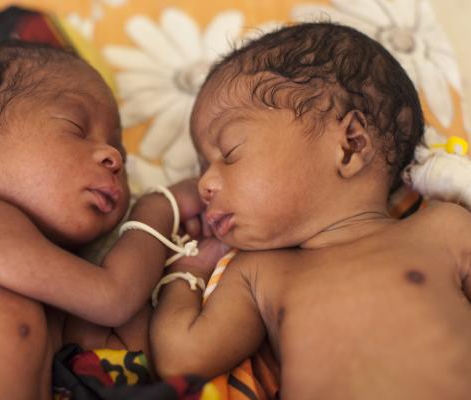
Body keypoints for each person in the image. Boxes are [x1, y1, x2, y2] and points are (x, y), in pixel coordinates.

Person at [151, 22, 471, 400]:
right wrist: (188, 271)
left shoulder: (441, 228)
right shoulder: (258, 274)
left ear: (350, 145)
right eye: (202, 167)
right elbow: (182, 358)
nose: (204, 184)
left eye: (231, 152)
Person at [0, 40, 205, 399]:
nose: (114, 158)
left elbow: (132, 347)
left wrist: (191, 265)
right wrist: (160, 208)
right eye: (76, 128)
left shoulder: (40, 291)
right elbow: (114, 297)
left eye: (121, 153)